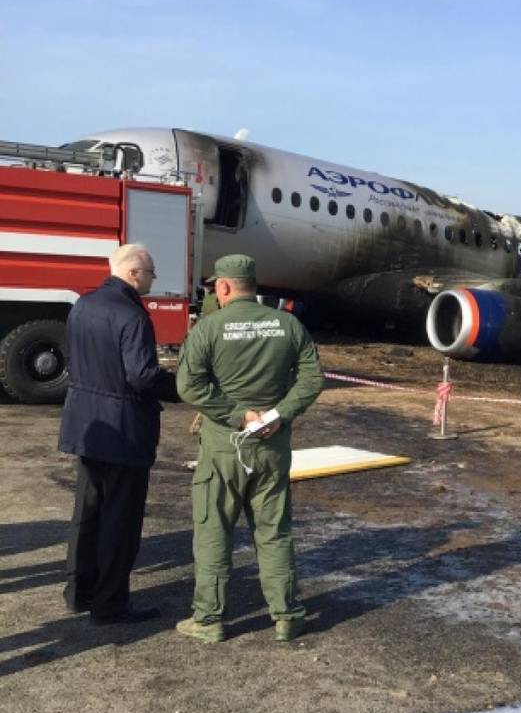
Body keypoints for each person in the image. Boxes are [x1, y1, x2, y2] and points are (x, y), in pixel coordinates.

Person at [175, 254, 324, 644]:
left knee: (214, 532)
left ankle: (208, 620)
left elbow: (189, 386)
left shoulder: (209, 329)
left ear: (224, 287)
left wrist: (238, 415)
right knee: (274, 533)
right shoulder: (288, 325)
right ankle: (288, 615)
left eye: (215, 288)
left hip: (224, 450)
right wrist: (280, 413)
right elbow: (312, 379)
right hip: (272, 447)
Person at [59, 243, 179, 624]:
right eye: (151, 273)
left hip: (86, 425)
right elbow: (141, 375)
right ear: (132, 273)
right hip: (124, 430)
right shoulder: (133, 315)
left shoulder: (83, 306)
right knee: (120, 520)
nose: (153, 279)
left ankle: (79, 592)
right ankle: (110, 603)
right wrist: (182, 387)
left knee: (87, 511)